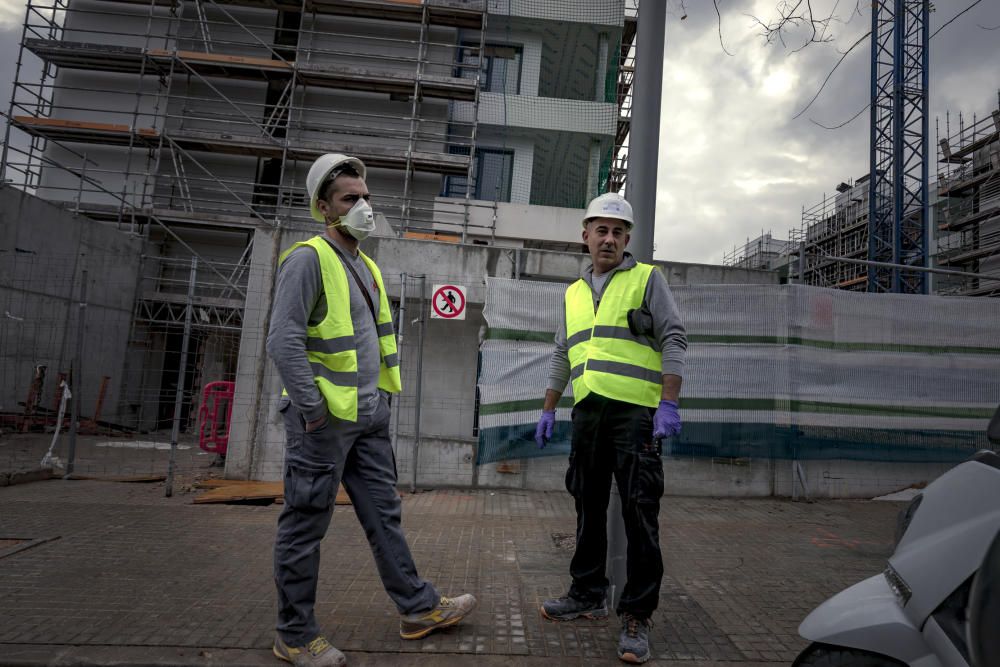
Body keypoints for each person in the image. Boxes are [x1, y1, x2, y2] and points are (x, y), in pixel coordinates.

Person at [267, 154, 476, 666]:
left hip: (368, 418)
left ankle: (418, 608)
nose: (363, 206)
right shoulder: (308, 259)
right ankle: (294, 635)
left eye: (365, 197)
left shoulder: (367, 266)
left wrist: (379, 402)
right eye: (349, 199)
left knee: (385, 516)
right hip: (323, 423)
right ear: (324, 208)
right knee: (305, 524)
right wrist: (313, 409)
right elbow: (283, 339)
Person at [534, 192, 687, 665]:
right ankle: (587, 593)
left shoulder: (647, 280)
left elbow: (674, 336)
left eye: (618, 231)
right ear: (585, 235)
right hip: (589, 414)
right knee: (587, 504)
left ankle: (637, 615)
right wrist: (549, 407)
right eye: (601, 229)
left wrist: (668, 403)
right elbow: (564, 353)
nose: (609, 238)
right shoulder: (573, 293)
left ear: (627, 240)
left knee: (641, 513)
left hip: (636, 415)